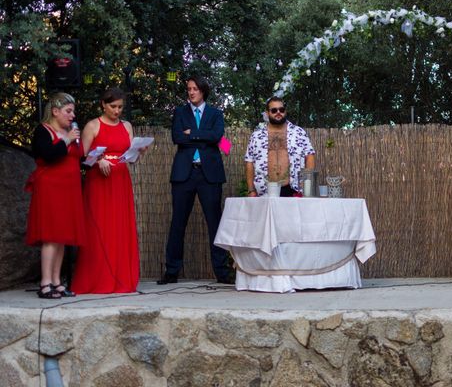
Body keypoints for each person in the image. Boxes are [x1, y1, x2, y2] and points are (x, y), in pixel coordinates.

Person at [158, 76, 233, 285]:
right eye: (189, 89)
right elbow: (177, 137)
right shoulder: (180, 112)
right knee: (178, 223)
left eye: (195, 89)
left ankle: (222, 273)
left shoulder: (216, 114)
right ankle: (171, 272)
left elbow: (218, 135)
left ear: (203, 91)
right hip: (184, 174)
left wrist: (194, 133)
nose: (191, 92)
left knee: (215, 224)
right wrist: (204, 136)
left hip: (209, 175)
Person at [71, 87, 140, 293]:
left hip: (120, 180)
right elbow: (81, 156)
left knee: (120, 228)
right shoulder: (93, 125)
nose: (117, 111)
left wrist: (139, 151)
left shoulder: (127, 126)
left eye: (120, 107)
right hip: (99, 182)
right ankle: (97, 278)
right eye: (113, 106)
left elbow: (130, 157)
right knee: (99, 228)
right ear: (103, 104)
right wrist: (98, 160)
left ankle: (121, 278)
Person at [25, 92, 84, 299]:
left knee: (62, 237)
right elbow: (47, 155)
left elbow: (80, 157)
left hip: (68, 189)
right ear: (55, 111)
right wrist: (66, 140)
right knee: (51, 236)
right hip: (50, 188)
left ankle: (57, 281)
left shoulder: (70, 131)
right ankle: (45, 283)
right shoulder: (43, 130)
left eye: (73, 111)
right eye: (68, 111)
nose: (72, 115)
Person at [245, 97, 316, 197]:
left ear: (285, 111)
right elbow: (249, 162)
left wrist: (306, 184)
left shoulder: (298, 133)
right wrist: (251, 190)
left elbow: (310, 156)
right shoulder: (257, 136)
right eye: (274, 110)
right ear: (267, 113)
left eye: (281, 110)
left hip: (293, 189)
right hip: (264, 190)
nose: (278, 112)